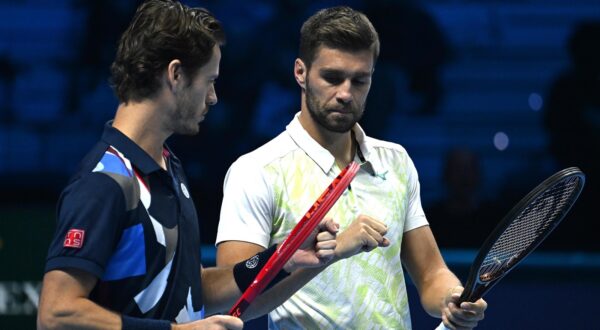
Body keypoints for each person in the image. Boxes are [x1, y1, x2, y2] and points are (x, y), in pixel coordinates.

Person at [37, 1, 389, 329]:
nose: (213, 97)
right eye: (210, 81)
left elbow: (195, 287)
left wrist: (284, 257)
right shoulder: (106, 181)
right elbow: (56, 312)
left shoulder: (168, 167)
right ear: (176, 75)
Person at [216, 6, 487, 329]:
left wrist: (452, 298)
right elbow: (236, 304)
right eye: (332, 78)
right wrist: (330, 253)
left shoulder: (395, 161)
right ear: (300, 72)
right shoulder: (256, 171)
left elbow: (430, 275)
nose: (346, 93)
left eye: (360, 80)